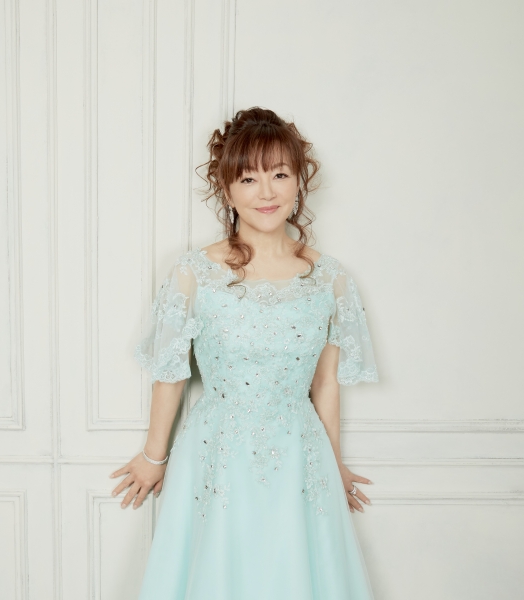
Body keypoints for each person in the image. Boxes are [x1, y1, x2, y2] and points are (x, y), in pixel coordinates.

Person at [111, 107, 380, 599]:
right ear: (227, 188)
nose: (267, 192)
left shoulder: (329, 278)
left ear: (299, 182)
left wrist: (333, 463)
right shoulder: (194, 272)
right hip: (216, 451)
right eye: (249, 178)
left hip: (300, 455)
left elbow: (325, 383)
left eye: (280, 174)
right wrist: (153, 455)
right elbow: (171, 373)